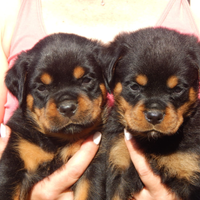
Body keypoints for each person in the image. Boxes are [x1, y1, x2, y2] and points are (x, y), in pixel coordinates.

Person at [0, 0, 199, 199]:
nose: (67, 104)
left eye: (86, 80)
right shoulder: (10, 13)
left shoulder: (192, 12)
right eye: (43, 87)